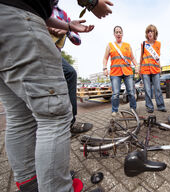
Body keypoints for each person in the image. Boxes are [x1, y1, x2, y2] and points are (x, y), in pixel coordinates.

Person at [0, 0, 112, 191]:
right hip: (19, 20)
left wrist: (68, 26)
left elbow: (46, 16)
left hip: (8, 20)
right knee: (54, 116)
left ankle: (31, 184)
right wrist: (92, 2)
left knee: (19, 117)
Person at [48, 0, 93, 135]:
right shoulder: (39, 7)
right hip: (38, 49)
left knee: (69, 73)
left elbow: (77, 40)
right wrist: (49, 27)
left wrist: (67, 29)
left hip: (54, 53)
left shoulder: (63, 14)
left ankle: (70, 122)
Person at [103, 26, 138, 117]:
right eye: (116, 32)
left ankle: (133, 109)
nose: (118, 34)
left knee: (130, 92)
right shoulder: (110, 45)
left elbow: (132, 58)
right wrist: (104, 68)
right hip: (115, 73)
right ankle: (114, 110)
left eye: (120, 32)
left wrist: (137, 66)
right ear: (114, 34)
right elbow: (105, 58)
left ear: (122, 34)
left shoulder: (127, 45)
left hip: (127, 71)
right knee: (115, 93)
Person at [139, 24, 166, 113]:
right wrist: (139, 69)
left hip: (155, 70)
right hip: (145, 70)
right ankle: (150, 107)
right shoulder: (144, 44)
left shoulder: (158, 44)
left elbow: (157, 57)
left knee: (157, 88)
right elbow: (141, 57)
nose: (150, 33)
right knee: (147, 89)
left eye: (152, 31)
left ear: (155, 33)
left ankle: (161, 106)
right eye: (148, 32)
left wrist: (160, 67)